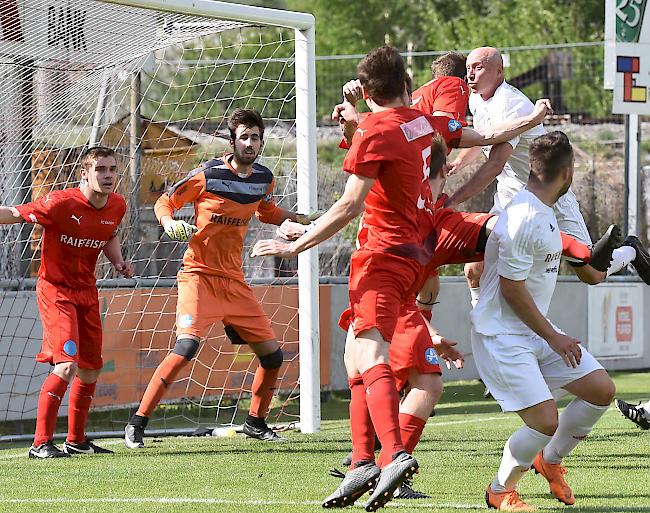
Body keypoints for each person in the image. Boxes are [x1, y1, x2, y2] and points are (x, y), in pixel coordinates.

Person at [253, 45, 551, 510]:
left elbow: (351, 204)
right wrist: (531, 121)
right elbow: (485, 133)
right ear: (409, 85)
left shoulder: (376, 128)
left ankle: (391, 454)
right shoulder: (423, 121)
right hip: (419, 247)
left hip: (383, 254)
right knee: (356, 355)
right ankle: (360, 462)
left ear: (369, 91)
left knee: (368, 348)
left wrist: (297, 243)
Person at [124, 108, 302, 448]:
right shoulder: (208, 174)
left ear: (262, 143)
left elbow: (266, 210)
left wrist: (295, 220)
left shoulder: (264, 178)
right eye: (244, 137)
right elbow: (165, 200)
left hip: (234, 282)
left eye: (255, 138)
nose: (249, 143)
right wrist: (168, 222)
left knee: (273, 356)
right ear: (232, 140)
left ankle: (255, 421)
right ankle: (138, 422)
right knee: (186, 346)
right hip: (198, 276)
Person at [471, 132, 616, 511]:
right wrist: (555, 338)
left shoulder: (542, 211)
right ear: (567, 173)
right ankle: (500, 490)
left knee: (601, 390)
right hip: (501, 335)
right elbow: (511, 290)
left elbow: (563, 251)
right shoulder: (524, 218)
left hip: (532, 330)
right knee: (544, 420)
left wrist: (608, 254)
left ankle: (549, 460)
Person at [445, 47, 650, 307]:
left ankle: (630, 250)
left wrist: (454, 199)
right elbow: (485, 134)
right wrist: (458, 164)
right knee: (474, 267)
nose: (471, 74)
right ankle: (482, 322)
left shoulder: (512, 104)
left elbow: (495, 163)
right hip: (511, 197)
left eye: (479, 67)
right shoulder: (476, 99)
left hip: (549, 196)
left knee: (591, 273)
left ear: (499, 71)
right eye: (469, 68)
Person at [0, 147, 132, 458]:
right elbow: (16, 213)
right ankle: (40, 444)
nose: (108, 174)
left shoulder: (117, 205)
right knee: (66, 365)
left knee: (90, 370)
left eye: (112, 168)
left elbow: (108, 235)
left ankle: (76, 440)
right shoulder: (61, 202)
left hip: (87, 292)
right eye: (100, 169)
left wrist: (119, 262)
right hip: (56, 291)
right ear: (84, 174)